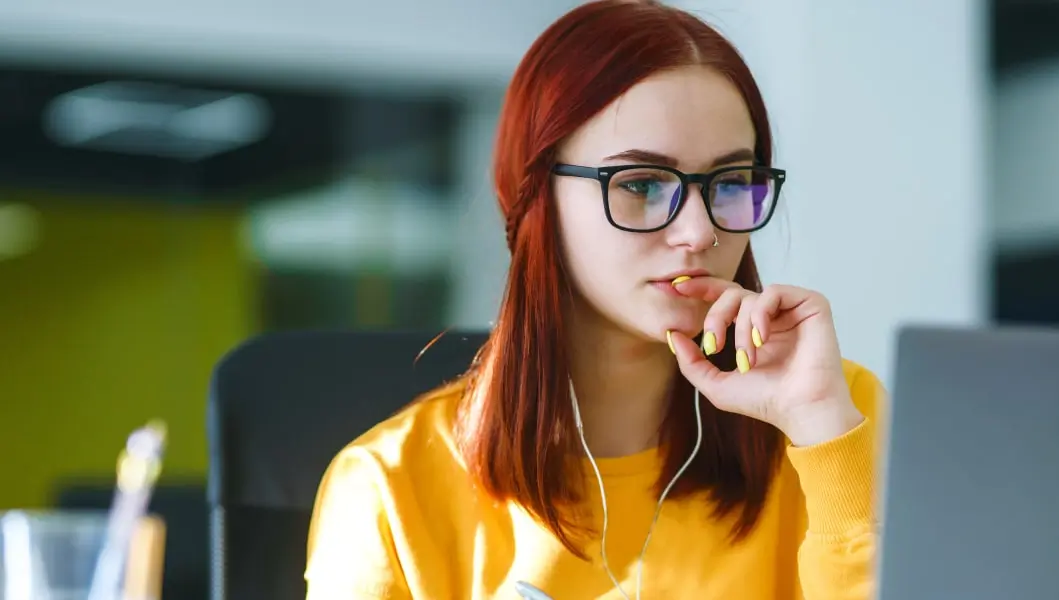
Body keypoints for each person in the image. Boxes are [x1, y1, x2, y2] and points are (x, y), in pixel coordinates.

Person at [305, 1, 884, 598]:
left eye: (730, 183)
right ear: (536, 198)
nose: (699, 233)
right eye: (639, 184)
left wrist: (824, 434)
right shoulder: (390, 489)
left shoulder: (837, 417)